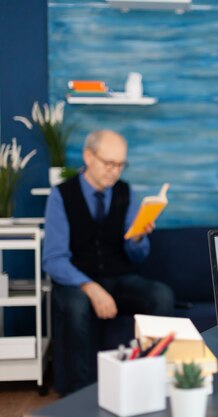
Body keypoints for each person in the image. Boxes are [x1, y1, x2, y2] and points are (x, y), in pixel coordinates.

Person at [43, 130, 175, 394]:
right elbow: (53, 259)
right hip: (76, 281)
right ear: (89, 156)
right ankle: (78, 395)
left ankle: (149, 383)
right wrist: (90, 287)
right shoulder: (61, 195)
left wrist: (137, 239)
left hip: (119, 277)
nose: (115, 172)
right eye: (108, 163)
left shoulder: (126, 193)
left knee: (161, 295)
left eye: (120, 165)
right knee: (76, 304)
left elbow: (138, 256)